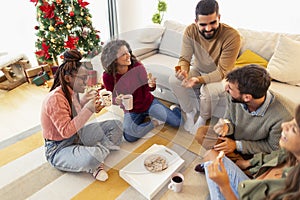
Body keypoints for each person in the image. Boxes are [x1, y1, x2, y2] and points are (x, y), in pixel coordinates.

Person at [41, 49, 123, 182]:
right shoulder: (54, 99)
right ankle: (95, 160)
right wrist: (89, 109)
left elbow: (74, 116)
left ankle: (96, 156)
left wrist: (85, 102)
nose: (86, 82)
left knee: (117, 125)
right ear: (68, 78)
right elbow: (66, 131)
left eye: (87, 78)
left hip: (77, 135)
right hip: (58, 148)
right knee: (92, 156)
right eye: (83, 79)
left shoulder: (71, 91)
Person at [194, 65, 292, 172]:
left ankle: (229, 165)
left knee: (269, 170)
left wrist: (237, 145)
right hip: (234, 140)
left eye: (230, 88)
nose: (226, 88)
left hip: (254, 152)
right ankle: (231, 165)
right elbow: (229, 118)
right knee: (202, 133)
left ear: (247, 97)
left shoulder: (283, 117)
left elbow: (273, 148)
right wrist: (226, 125)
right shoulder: (233, 97)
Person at [169, 0, 241, 134]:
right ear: (196, 21)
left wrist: (198, 80)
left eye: (213, 22)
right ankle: (190, 112)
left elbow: (222, 72)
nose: (208, 29)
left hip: (222, 76)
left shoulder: (232, 36)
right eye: (203, 24)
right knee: (174, 80)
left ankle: (202, 118)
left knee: (208, 91)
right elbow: (184, 59)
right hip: (198, 69)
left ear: (219, 18)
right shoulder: (190, 31)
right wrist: (182, 71)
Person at [203, 104, 300, 200]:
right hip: (251, 184)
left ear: (247, 97)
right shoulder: (289, 152)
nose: (284, 125)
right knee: (210, 154)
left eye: (294, 129)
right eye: (292, 121)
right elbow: (271, 156)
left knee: (212, 166)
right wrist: (247, 164)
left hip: (247, 192)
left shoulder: (294, 190)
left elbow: (270, 147)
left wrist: (224, 187)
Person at [101, 39, 182, 142]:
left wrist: (151, 85)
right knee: (129, 137)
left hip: (148, 103)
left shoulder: (137, 67)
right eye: (123, 54)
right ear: (114, 59)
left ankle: (174, 109)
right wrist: (116, 100)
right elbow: (111, 97)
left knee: (177, 122)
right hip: (131, 110)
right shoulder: (107, 76)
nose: (128, 55)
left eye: (128, 52)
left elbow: (148, 89)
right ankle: (155, 122)